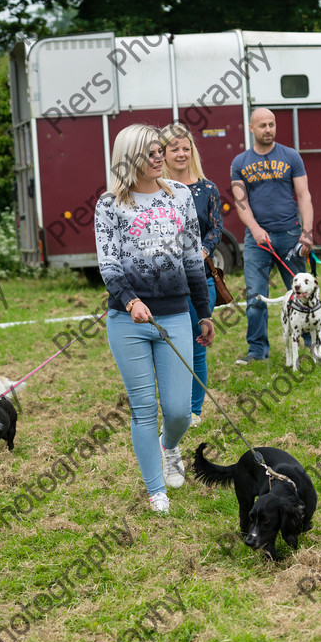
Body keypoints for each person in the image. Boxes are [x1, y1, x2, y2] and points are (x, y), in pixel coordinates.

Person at [94, 124, 215, 514]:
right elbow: (109, 264)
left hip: (177, 314)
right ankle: (155, 490)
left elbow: (193, 259)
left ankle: (169, 446)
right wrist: (130, 302)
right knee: (144, 407)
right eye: (150, 152)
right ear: (129, 159)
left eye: (159, 149)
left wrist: (204, 313)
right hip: (128, 321)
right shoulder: (109, 204)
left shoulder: (179, 196)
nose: (159, 156)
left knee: (179, 410)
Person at [230, 107, 314, 364]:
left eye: (272, 124)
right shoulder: (239, 162)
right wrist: (255, 229)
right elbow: (240, 201)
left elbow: (304, 196)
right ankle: (257, 351)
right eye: (262, 125)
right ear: (251, 128)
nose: (268, 129)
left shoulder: (291, 156)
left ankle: (311, 344)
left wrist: (307, 234)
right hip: (257, 240)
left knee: (303, 292)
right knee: (255, 295)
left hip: (290, 235)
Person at [161, 122, 222, 426]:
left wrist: (203, 252)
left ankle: (194, 410)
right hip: (163, 284)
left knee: (196, 345)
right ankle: (173, 406)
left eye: (186, 148)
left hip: (199, 280)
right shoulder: (155, 190)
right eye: (175, 148)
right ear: (163, 153)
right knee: (169, 346)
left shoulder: (207, 188)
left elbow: (216, 228)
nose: (181, 153)